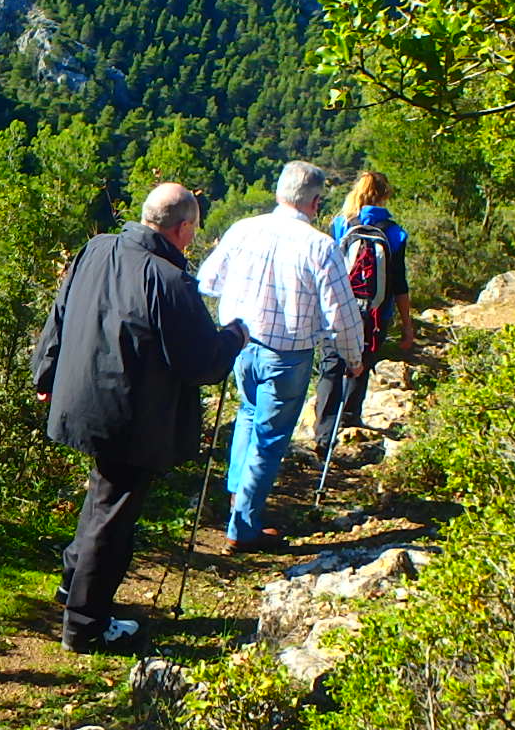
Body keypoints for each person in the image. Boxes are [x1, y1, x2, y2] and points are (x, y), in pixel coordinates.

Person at [32, 183, 247, 654]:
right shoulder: (167, 280)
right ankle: (85, 625)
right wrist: (234, 337)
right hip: (129, 416)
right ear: (184, 228)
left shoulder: (98, 248)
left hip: (81, 397)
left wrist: (43, 372)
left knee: (102, 499)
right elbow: (202, 364)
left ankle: (74, 590)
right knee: (112, 519)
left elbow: (60, 313)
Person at [197, 161, 364, 551]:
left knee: (248, 415)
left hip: (240, 344)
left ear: (278, 193)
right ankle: (244, 528)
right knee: (269, 438)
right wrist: (352, 358)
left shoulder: (244, 229)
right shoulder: (320, 245)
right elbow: (342, 313)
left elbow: (207, 280)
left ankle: (239, 500)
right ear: (316, 201)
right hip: (287, 353)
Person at [327, 171, 414, 430]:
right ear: (385, 195)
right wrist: (407, 325)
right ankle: (350, 418)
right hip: (376, 312)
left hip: (339, 308)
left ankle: (326, 424)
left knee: (332, 363)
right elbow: (399, 283)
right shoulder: (396, 234)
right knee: (363, 361)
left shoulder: (340, 224)